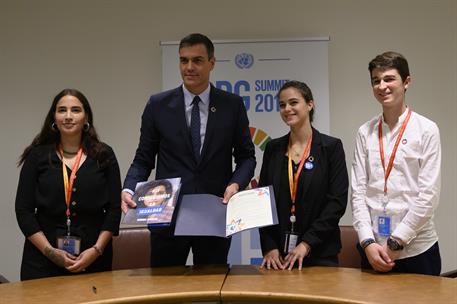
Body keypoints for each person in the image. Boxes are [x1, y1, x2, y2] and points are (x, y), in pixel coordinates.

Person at [122, 33, 256, 267]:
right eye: (184, 60)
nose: (189, 67)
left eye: (197, 60)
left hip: (214, 211)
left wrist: (235, 184)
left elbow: (246, 158)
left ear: (212, 63)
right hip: (167, 215)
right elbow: (143, 158)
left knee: (213, 289)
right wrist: (128, 187)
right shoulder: (158, 105)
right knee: (165, 291)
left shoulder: (231, 105)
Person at [15, 89, 122, 280]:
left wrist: (96, 250)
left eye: (76, 110)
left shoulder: (104, 155)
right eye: (62, 110)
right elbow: (23, 211)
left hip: (93, 259)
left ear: (86, 117)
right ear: (54, 117)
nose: (68, 116)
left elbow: (114, 209)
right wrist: (51, 252)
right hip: (42, 260)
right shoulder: (37, 156)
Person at [351, 51, 441, 275]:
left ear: (407, 82)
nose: (382, 86)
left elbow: (428, 195)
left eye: (389, 78)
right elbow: (358, 192)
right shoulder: (365, 132)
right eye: (376, 81)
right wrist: (367, 242)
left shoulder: (427, 130)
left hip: (417, 250)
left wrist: (396, 242)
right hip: (372, 250)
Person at [258, 80, 348, 270]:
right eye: (282, 105)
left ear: (309, 104)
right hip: (278, 257)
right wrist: (269, 246)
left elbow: (336, 203)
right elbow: (263, 202)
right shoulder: (273, 149)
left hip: (320, 252)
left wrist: (306, 244)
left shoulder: (331, 148)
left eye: (293, 102)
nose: (287, 109)